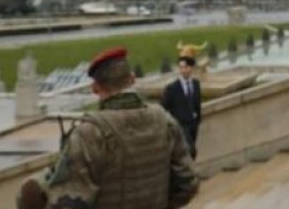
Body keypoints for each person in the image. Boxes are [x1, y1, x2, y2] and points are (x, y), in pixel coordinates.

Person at [18, 46, 199, 209]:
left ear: (95, 88)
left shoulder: (89, 133)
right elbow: (188, 183)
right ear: (132, 79)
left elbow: (69, 201)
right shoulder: (164, 120)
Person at [161, 56, 202, 159]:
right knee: (190, 149)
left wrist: (198, 119)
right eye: (181, 67)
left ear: (191, 68)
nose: (183, 70)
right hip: (181, 124)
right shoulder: (172, 88)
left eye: (185, 67)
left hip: (193, 123)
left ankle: (191, 170)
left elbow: (197, 103)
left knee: (191, 149)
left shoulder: (196, 84)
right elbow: (163, 107)